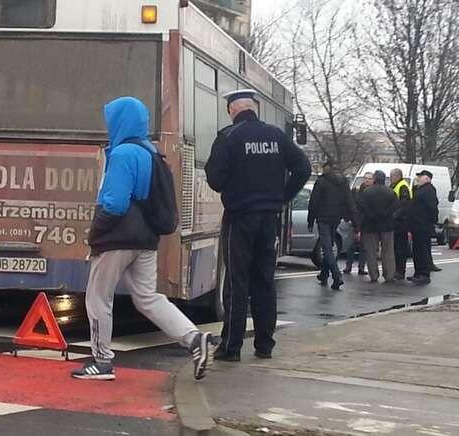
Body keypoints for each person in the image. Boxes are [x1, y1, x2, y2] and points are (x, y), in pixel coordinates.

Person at [72, 97, 212, 381]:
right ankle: (193, 338)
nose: (108, 125)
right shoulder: (152, 152)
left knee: (98, 298)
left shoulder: (123, 154)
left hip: (116, 239)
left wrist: (95, 233)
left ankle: (102, 362)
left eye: (111, 120)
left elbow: (114, 204)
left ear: (121, 121)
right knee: (148, 298)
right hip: (146, 240)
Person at [205, 89, 311, 361]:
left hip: (240, 217)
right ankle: (264, 344)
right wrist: (282, 197)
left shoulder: (228, 137)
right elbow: (303, 168)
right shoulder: (276, 136)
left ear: (232, 110)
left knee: (236, 282)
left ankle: (231, 347)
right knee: (264, 281)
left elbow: (215, 179)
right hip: (269, 219)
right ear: (254, 108)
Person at [308, 160, 355, 290]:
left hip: (323, 218)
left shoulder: (321, 181)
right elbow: (349, 201)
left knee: (327, 248)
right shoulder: (343, 182)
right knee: (329, 245)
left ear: (326, 168)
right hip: (336, 218)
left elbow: (314, 202)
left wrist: (310, 220)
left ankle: (336, 275)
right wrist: (354, 220)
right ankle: (324, 274)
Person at [357, 170, 396, 283]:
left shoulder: (366, 192)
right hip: (387, 225)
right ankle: (389, 275)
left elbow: (361, 206)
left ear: (374, 179)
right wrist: (385, 215)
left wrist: (371, 215)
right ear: (384, 179)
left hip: (370, 225)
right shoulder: (390, 192)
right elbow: (395, 207)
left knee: (371, 251)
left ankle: (373, 275)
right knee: (388, 251)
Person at [408, 170, 439, 285]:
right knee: (417, 250)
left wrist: (430, 221)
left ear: (427, 178)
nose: (418, 179)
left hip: (423, 225)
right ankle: (418, 272)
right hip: (417, 224)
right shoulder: (420, 189)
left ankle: (424, 274)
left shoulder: (429, 190)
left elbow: (432, 207)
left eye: (420, 177)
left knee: (423, 250)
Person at [344, 172, 373, 275]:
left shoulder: (372, 192)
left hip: (366, 223)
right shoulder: (356, 191)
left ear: (373, 180)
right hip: (355, 221)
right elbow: (349, 204)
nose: (367, 180)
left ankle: (361, 268)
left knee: (363, 247)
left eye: (369, 179)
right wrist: (348, 218)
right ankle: (348, 266)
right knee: (351, 245)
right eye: (366, 178)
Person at [390, 168, 412, 280]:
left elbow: (405, 205)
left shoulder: (403, 187)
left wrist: (395, 215)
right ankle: (396, 269)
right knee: (395, 248)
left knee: (400, 249)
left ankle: (400, 271)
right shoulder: (395, 186)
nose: (390, 178)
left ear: (398, 176)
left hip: (401, 223)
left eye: (392, 176)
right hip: (396, 222)